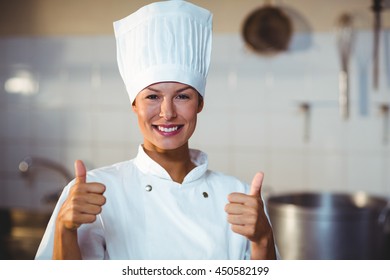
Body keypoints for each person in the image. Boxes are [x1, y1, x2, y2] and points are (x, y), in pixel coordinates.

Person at [35, 0, 277, 260]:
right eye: (152, 97)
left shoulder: (237, 196)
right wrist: (64, 229)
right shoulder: (95, 191)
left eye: (182, 96)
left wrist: (263, 239)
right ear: (135, 105)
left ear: (200, 104)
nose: (167, 112)